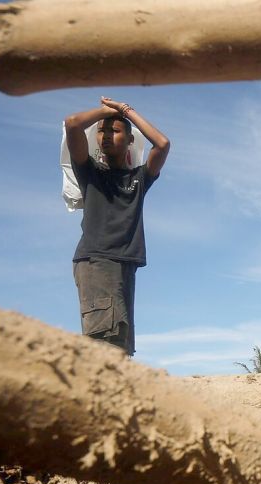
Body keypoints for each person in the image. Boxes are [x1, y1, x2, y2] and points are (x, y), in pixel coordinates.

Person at [64, 97, 170, 355]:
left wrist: (127, 112)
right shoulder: (90, 173)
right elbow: (73, 124)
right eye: (101, 130)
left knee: (119, 342)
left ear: (130, 140)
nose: (106, 135)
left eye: (114, 130)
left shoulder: (139, 178)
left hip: (123, 263)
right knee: (104, 341)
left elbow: (162, 144)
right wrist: (106, 111)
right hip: (97, 260)